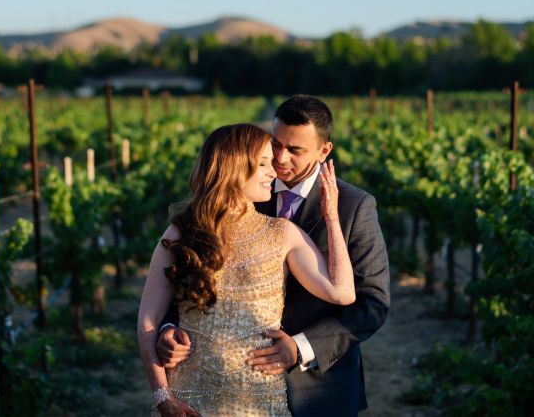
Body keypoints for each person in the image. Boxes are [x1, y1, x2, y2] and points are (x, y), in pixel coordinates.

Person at [159, 96, 391, 415]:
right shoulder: (245, 190)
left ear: (324, 151)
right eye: (275, 144)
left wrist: (301, 347)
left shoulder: (355, 206)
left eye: (295, 150)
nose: (280, 158)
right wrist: (168, 328)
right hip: (231, 389)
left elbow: (372, 303)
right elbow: (192, 272)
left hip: (320, 390)